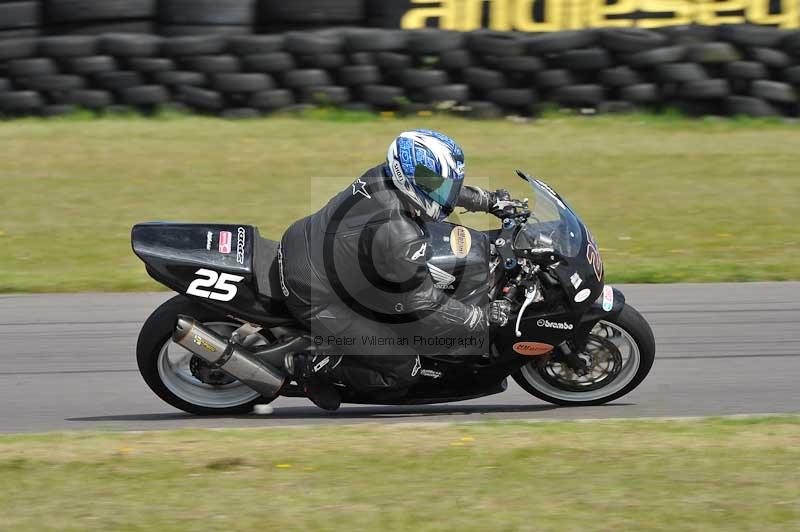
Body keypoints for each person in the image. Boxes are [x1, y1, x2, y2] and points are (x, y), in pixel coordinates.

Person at [279, 129, 513, 410]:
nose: (442, 191)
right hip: (315, 296)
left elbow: (438, 186)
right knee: (404, 368)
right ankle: (312, 368)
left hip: (305, 242)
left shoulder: (385, 175)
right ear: (408, 178)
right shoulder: (398, 232)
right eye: (435, 184)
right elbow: (422, 302)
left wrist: (487, 201)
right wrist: (477, 318)